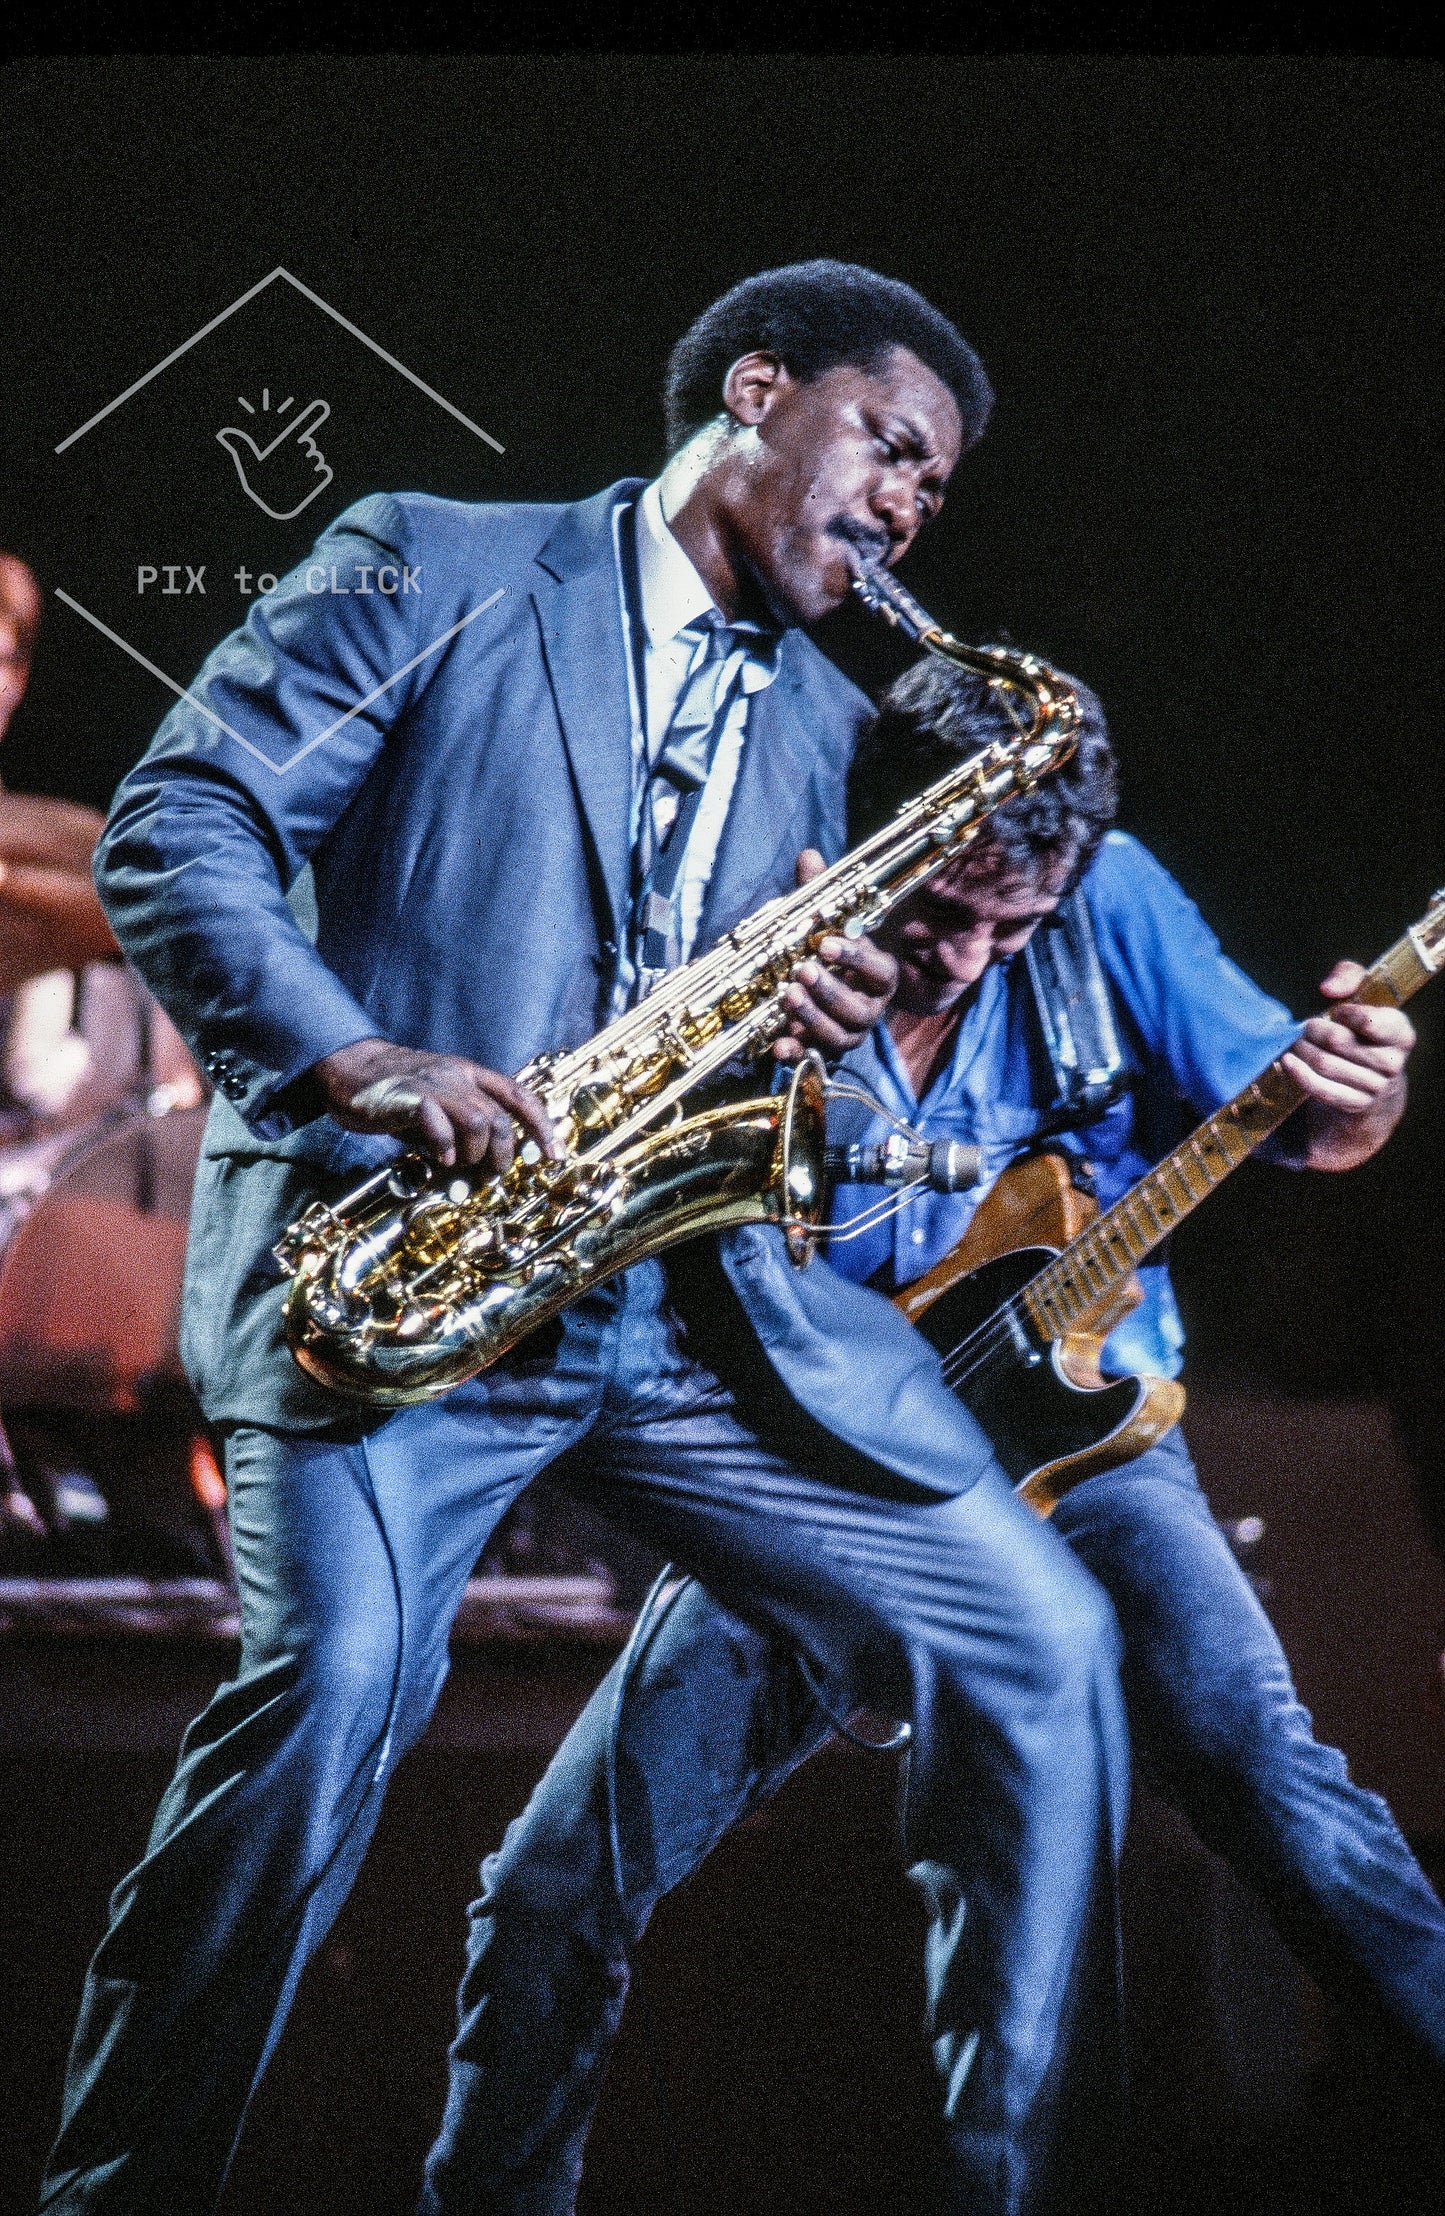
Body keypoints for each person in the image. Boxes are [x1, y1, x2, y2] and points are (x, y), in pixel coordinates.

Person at [41, 262, 1132, 2216]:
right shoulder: (428, 560)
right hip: (398, 1280)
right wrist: (358, 1055)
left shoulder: (813, 713)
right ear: (756, 388)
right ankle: (121, 2189)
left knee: (1030, 1627)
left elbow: (751, 1061)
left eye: (937, 498)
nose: (905, 513)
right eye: (892, 449)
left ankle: (610, 1947)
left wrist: (816, 1041)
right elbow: (177, 819)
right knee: (334, 1705)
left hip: (667, 1308)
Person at [436, 659, 1444, 2212]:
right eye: (929, 918)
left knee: (1264, 1776)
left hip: (1090, 1453)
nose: (962, 960)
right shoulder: (728, 925)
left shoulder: (1112, 901)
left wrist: (1359, 1092)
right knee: (550, 1890)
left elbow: (1310, 1121)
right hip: (818, 1471)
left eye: (1008, 928)